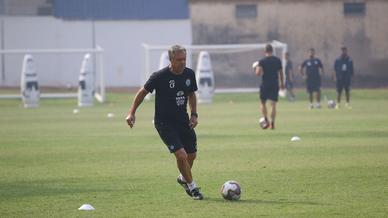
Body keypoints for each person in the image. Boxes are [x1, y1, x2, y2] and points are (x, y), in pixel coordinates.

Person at [126, 45, 204, 200]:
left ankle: (183, 178)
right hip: (164, 123)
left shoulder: (189, 74)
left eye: (184, 59)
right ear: (171, 59)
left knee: (191, 155)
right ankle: (192, 187)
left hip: (183, 121)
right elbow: (142, 93)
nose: (182, 62)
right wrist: (131, 113)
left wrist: (194, 114)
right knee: (181, 155)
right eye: (179, 60)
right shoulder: (159, 76)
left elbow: (191, 95)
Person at [254, 44, 285, 129]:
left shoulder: (262, 61)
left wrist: (255, 68)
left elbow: (258, 73)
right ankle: (272, 123)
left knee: (263, 103)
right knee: (273, 105)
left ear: (265, 51)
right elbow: (281, 73)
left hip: (265, 84)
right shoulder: (277, 60)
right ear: (272, 51)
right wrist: (282, 84)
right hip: (274, 84)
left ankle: (266, 119)